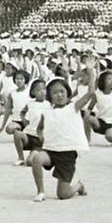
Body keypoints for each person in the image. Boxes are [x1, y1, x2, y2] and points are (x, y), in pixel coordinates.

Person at [30, 58, 96, 202]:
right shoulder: (47, 111)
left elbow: (91, 93)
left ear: (67, 92)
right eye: (55, 93)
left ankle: (78, 186)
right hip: (51, 151)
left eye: (62, 91)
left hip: (67, 153)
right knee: (37, 159)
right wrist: (41, 137)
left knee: (63, 194)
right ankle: (40, 191)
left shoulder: (74, 107)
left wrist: (91, 73)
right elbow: (40, 128)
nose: (59, 95)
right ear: (49, 97)